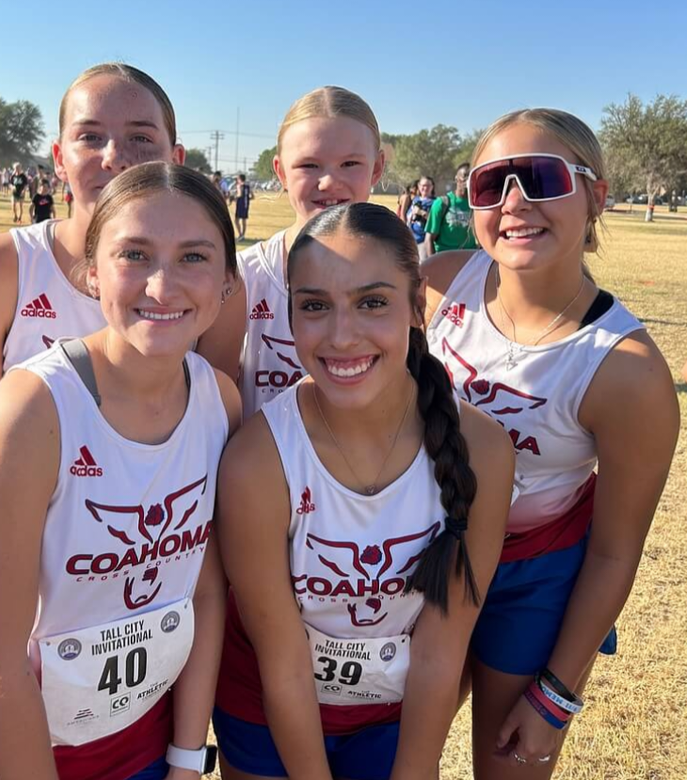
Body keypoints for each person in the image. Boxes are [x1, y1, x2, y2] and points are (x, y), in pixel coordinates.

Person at [0, 161, 241, 780]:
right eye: (135, 255)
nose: (163, 285)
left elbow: (201, 590)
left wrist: (185, 759)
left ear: (228, 280)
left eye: (194, 258)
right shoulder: (28, 411)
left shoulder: (219, 401)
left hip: (138, 742)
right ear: (91, 274)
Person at [214, 202, 514, 780]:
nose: (341, 337)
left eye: (372, 302)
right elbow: (283, 662)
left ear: (417, 303)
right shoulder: (257, 460)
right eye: (315, 307)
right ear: (290, 314)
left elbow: (440, 648)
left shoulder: (484, 449)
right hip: (265, 707)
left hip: (393, 712)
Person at [423, 108, 679, 776]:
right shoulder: (437, 283)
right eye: (490, 184)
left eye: (540, 178)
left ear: (595, 195)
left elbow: (615, 551)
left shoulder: (628, 370)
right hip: (422, 556)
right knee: (395, 759)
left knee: (509, 765)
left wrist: (558, 695)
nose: (514, 203)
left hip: (530, 579)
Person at [0, 62, 186, 503]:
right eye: (89, 136)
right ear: (59, 158)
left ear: (175, 159)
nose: (114, 157)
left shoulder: (204, 282)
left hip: (153, 558)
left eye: (141, 138)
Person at [196, 86, 385, 418]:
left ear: (377, 168)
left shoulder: (399, 274)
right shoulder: (245, 275)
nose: (328, 181)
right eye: (309, 165)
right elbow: (212, 404)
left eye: (350, 163)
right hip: (258, 467)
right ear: (281, 171)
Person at [423, 163, 478, 256]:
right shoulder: (442, 203)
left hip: (469, 259)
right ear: (456, 179)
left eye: (471, 177)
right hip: (445, 258)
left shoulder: (477, 205)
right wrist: (433, 264)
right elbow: (429, 239)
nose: (468, 180)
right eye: (465, 176)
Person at [409, 176, 435, 259]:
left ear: (432, 187)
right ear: (419, 186)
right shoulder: (415, 200)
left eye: (428, 185)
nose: (425, 188)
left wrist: (421, 212)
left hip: (424, 241)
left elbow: (435, 221)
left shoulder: (436, 202)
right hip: (411, 240)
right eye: (423, 185)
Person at [233, 173, 253, 240]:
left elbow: (240, 194)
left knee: (236, 220)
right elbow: (252, 196)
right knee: (244, 220)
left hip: (240, 204)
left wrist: (234, 197)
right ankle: (243, 235)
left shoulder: (239, 186)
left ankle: (240, 234)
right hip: (246, 204)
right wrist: (247, 198)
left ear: (240, 179)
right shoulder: (248, 186)